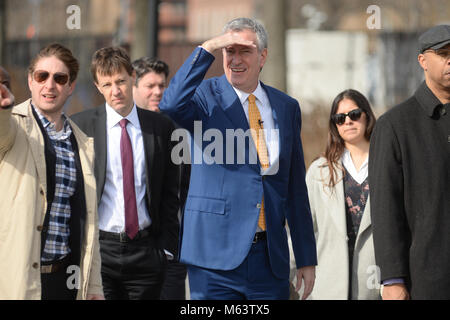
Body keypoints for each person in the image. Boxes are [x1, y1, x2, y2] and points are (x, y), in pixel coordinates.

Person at [159, 17, 317, 300]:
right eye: (229, 51)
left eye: (245, 50)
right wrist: (207, 47)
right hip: (213, 261)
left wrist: (306, 256)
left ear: (263, 56)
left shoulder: (286, 106)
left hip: (269, 261)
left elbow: (294, 187)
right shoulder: (205, 97)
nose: (235, 59)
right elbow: (170, 103)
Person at [71, 46, 180, 300]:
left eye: (120, 81)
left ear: (133, 76)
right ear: (98, 86)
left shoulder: (161, 127)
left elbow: (170, 192)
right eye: (107, 84)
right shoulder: (80, 125)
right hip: (100, 251)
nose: (115, 91)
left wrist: (165, 249)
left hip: (147, 252)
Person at [0, 43, 103, 300]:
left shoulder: (80, 142)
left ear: (70, 86)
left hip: (65, 280)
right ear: (30, 81)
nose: (50, 85)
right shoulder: (14, 124)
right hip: (18, 279)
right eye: (42, 76)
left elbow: (89, 223)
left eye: (60, 78)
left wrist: (94, 286)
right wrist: (3, 108)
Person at [369, 24, 450, 300]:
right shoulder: (395, 125)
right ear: (423, 61)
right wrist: (392, 279)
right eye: (443, 53)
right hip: (425, 279)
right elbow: (385, 208)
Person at [306, 89, 380, 300]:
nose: (348, 122)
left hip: (374, 280)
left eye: (354, 114)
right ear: (334, 125)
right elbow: (304, 230)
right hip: (328, 282)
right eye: (340, 118)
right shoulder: (319, 171)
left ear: (366, 115)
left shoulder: (387, 164)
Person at [132, 56, 190, 300]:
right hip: (126, 252)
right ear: (133, 88)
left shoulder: (180, 133)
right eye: (150, 86)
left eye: (162, 86)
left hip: (170, 252)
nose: (157, 92)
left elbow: (186, 190)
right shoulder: (117, 132)